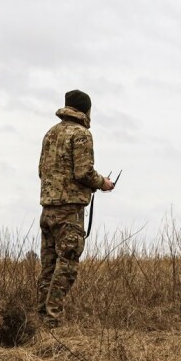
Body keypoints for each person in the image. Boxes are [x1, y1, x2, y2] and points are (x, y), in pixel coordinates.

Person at [36, 88, 114, 325]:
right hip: (69, 211)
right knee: (67, 265)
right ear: (85, 110)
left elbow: (41, 171)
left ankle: (40, 317)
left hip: (47, 209)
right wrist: (102, 183)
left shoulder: (50, 133)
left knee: (49, 266)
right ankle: (52, 319)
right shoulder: (81, 134)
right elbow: (83, 172)